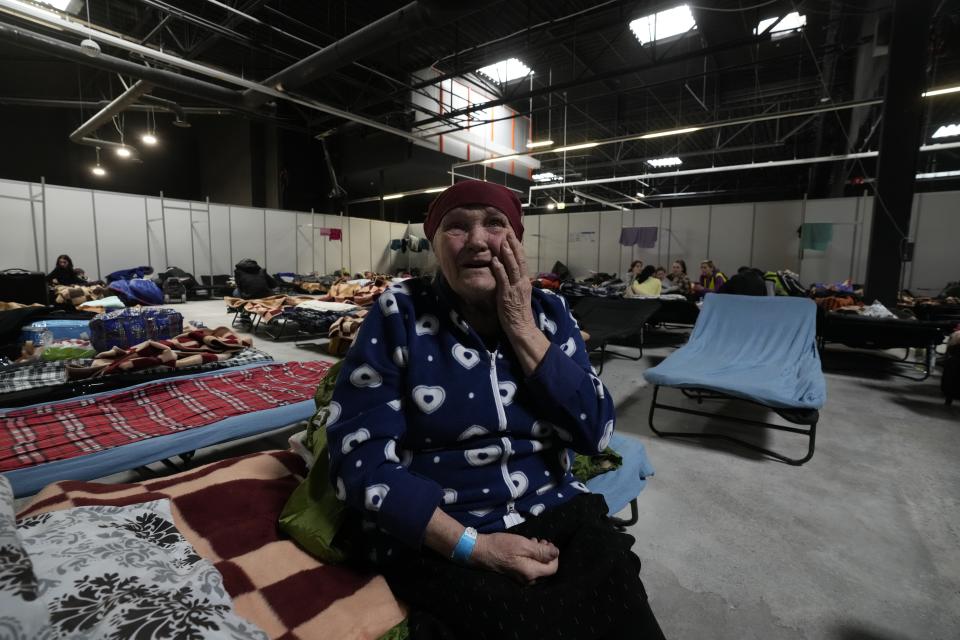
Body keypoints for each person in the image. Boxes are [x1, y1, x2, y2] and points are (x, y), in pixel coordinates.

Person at [327, 180, 665, 640]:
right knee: (515, 622)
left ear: (517, 241)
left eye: (495, 224)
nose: (479, 240)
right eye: (457, 227)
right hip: (446, 524)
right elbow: (357, 458)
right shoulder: (399, 313)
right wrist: (474, 548)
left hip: (556, 506)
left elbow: (596, 431)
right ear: (434, 243)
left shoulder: (550, 313)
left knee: (623, 604)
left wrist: (521, 323)